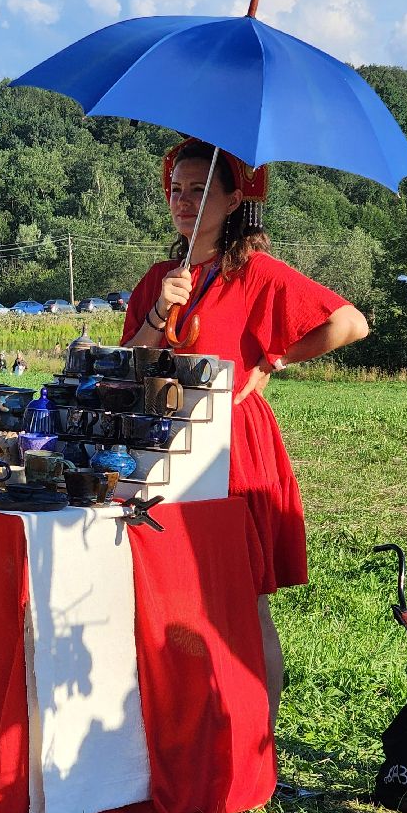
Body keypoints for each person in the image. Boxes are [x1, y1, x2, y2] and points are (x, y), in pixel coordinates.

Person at [122, 138, 369, 729]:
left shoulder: (256, 273)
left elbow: (349, 322)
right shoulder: (160, 278)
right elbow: (125, 367)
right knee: (174, 597)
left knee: (242, 602)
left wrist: (272, 360)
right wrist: (159, 311)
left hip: (231, 449)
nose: (183, 202)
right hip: (161, 445)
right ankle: (196, 731)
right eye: (176, 190)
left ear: (234, 200)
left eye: (199, 190)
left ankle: (259, 748)